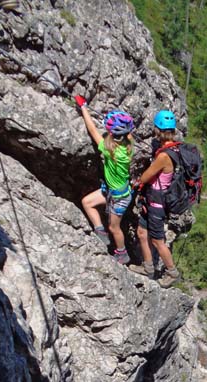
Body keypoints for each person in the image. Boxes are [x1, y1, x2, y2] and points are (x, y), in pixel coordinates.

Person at [75, 95, 134, 264]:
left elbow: (93, 131)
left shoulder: (110, 150)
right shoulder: (129, 147)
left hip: (119, 199)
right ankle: (100, 232)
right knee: (87, 202)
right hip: (113, 192)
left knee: (114, 227)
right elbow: (128, 135)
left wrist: (84, 107)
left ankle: (122, 253)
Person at [129, 110, 181, 288]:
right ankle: (148, 268)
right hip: (152, 201)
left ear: (158, 130)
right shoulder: (173, 147)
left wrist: (135, 183)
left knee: (158, 241)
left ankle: (172, 272)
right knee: (142, 233)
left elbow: (147, 176)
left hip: (157, 204)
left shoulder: (164, 155)